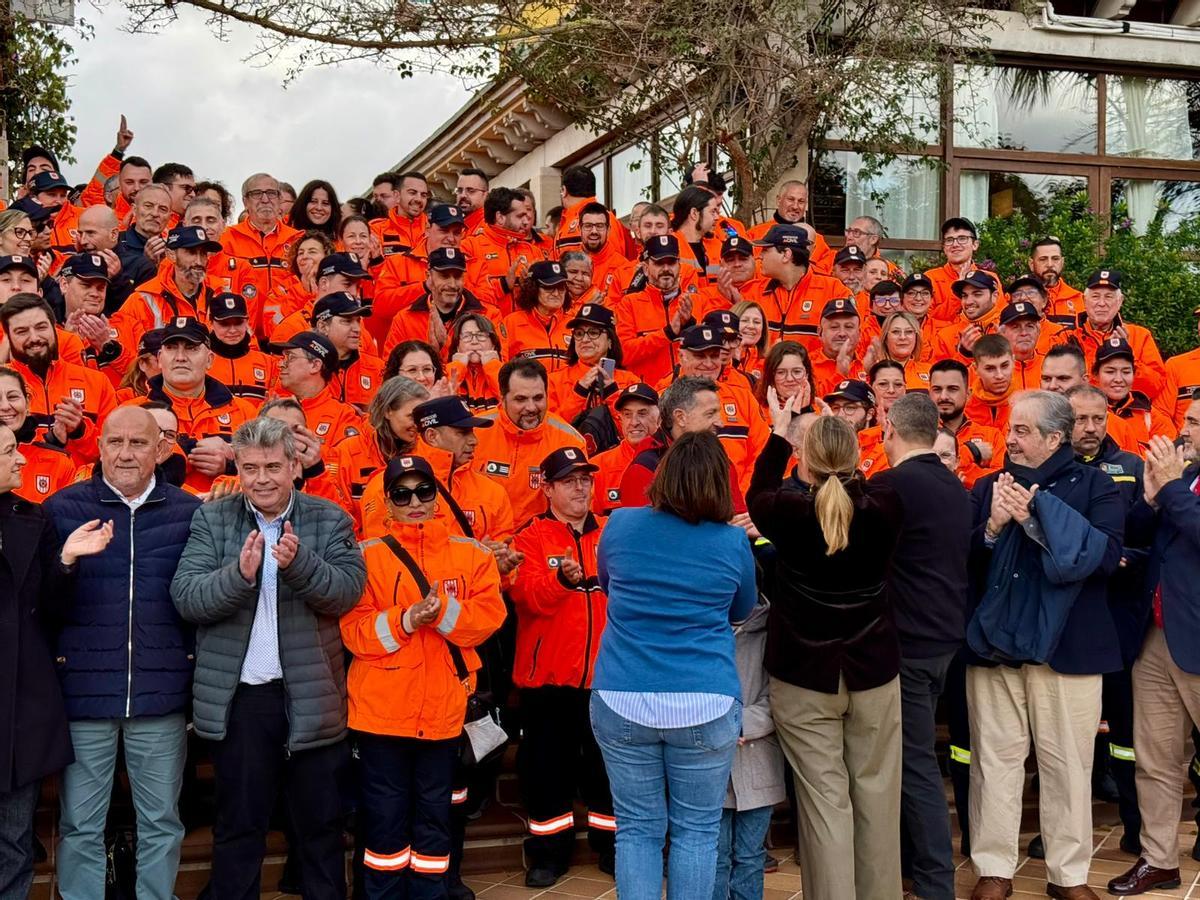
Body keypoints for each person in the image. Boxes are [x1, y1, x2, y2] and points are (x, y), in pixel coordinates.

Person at [171, 416, 367, 900]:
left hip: (312, 695)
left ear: (295, 466)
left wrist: (299, 565)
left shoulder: (330, 518)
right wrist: (237, 576)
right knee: (239, 826)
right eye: (251, 467)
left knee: (321, 828)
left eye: (273, 467)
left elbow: (346, 593)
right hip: (242, 700)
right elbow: (187, 597)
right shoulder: (212, 518)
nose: (262, 479)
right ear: (237, 467)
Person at [965, 390, 1124, 900]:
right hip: (995, 648)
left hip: (1068, 651)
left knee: (1069, 767)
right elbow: (962, 561)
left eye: (1022, 430)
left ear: (1056, 438)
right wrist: (991, 527)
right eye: (1010, 429)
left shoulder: (1097, 486)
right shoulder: (988, 485)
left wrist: (1036, 516)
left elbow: (1106, 557)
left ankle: (1069, 876)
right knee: (994, 761)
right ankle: (994, 869)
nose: (1009, 438)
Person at [591, 430, 756, 899]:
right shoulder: (730, 542)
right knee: (697, 832)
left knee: (638, 830)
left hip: (624, 694)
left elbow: (607, 583)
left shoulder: (620, 525)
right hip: (705, 697)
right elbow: (742, 608)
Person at [747, 406, 904, 900]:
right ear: (859, 460)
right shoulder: (886, 505)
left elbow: (759, 490)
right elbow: (870, 485)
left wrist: (780, 434)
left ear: (805, 462)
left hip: (804, 674)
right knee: (877, 799)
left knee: (824, 802)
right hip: (873, 671)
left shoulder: (786, 511)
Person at [44, 406, 201, 900]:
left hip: (160, 696)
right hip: (85, 696)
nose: (126, 453)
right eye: (115, 442)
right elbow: (43, 605)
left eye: (138, 443)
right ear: (99, 447)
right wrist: (66, 562)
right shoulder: (63, 509)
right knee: (80, 825)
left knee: (161, 821)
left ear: (160, 450)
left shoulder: (189, 512)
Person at [342, 453, 506, 898]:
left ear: (437, 497)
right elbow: (355, 632)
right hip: (381, 714)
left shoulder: (471, 555)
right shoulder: (365, 557)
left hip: (444, 712)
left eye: (424, 491)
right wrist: (408, 620)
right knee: (385, 821)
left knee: (435, 820)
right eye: (402, 493)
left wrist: (444, 613)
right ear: (388, 502)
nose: (414, 501)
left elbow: (489, 617)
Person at [0, 423, 112, 899]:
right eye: (10, 451)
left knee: (13, 845)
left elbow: (53, 610)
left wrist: (66, 560)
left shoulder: (33, 518)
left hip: (17, 712)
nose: (24, 460)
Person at [872, 393, 972, 900]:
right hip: (942, 641)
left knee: (915, 767)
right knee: (913, 762)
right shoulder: (953, 486)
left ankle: (934, 884)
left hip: (909, 646)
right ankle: (915, 870)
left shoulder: (891, 485)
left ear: (890, 428)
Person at [510, 448, 615, 887]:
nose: (580, 487)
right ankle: (548, 855)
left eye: (585, 479)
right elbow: (525, 595)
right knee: (546, 773)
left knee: (606, 772)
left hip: (605, 679)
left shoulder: (611, 533)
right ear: (547, 488)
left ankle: (612, 849)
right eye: (569, 480)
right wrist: (561, 582)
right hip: (547, 681)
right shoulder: (530, 537)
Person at [1104, 419, 1200, 895]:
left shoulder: (1182, 479)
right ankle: (1159, 859)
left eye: (1196, 423)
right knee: (1155, 759)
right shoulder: (1180, 475)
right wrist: (1148, 496)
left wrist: (1174, 487)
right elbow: (1141, 534)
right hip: (1158, 635)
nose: (1184, 430)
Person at [712, 586, 786, 900]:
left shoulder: (773, 633)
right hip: (712, 764)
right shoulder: (705, 630)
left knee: (750, 855)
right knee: (715, 857)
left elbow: (782, 698)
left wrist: (742, 723)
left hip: (758, 763)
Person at [471, 359, 585, 528]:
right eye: (521, 399)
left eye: (538, 398)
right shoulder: (475, 432)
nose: (531, 407)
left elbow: (578, 507)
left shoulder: (569, 440)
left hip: (539, 544)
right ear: (502, 399)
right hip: (484, 541)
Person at [748, 224, 846, 352]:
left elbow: (847, 340)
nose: (760, 256)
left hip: (814, 371)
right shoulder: (753, 292)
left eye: (766, 250)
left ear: (786, 255)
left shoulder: (833, 290)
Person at [925, 217, 1004, 323]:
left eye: (962, 238)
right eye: (949, 240)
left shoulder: (989, 278)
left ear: (975, 245)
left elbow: (999, 316)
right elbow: (927, 321)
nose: (955, 244)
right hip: (944, 338)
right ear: (944, 248)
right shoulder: (930, 278)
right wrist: (957, 291)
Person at [500, 260, 574, 370]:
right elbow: (501, 368)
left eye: (561, 287)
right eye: (549, 287)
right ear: (533, 289)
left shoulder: (574, 325)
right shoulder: (511, 323)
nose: (556, 293)